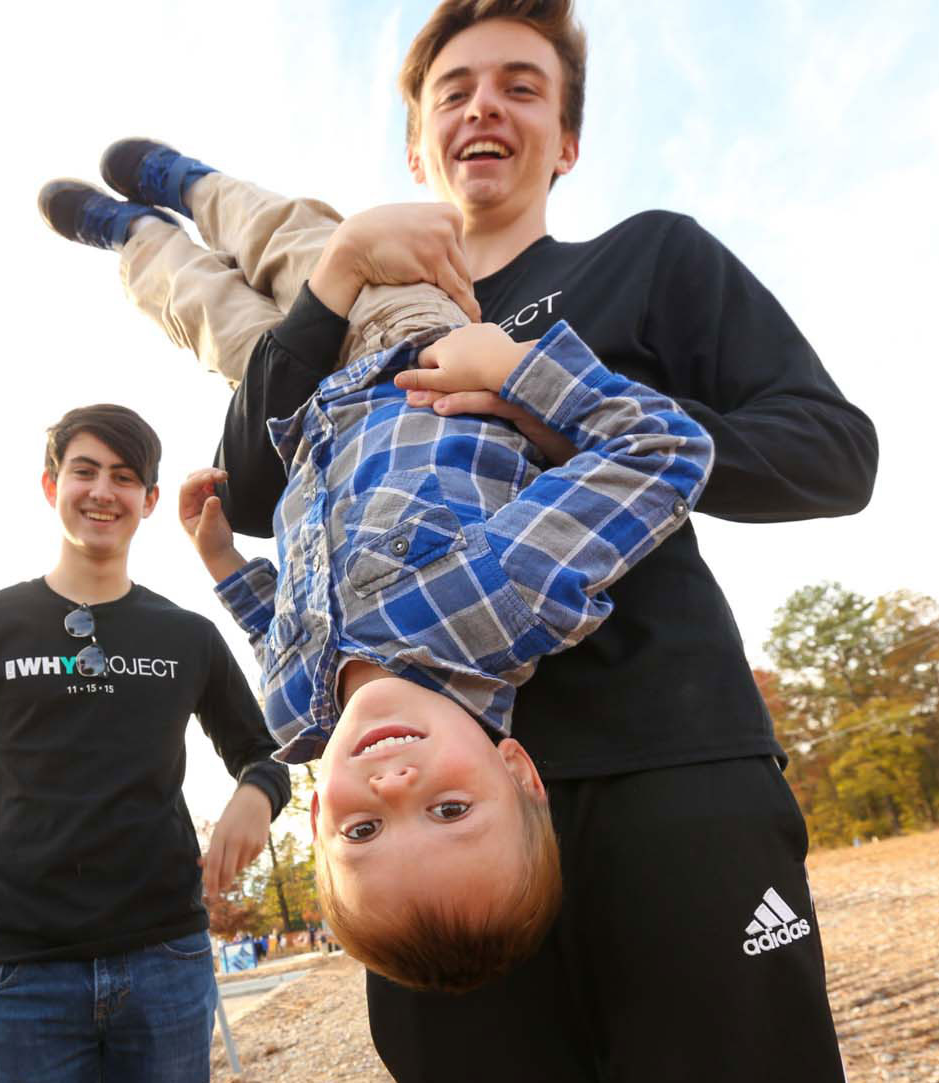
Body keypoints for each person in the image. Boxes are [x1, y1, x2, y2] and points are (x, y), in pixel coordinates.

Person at [147, 0, 881, 1077]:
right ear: (416, 145)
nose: (483, 105)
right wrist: (337, 273)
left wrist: (564, 404)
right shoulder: (352, 324)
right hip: (437, 851)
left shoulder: (649, 259)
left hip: (667, 775)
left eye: (520, 86)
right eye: (454, 91)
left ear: (566, 143)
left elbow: (829, 454)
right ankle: (146, 216)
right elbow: (256, 490)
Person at [41, 139, 715, 993]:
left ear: (319, 814)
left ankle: (132, 236)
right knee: (291, 235)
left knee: (203, 311)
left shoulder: (293, 718)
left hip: (295, 424)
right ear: (516, 772)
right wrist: (521, 374)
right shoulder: (501, 604)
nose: (395, 784)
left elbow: (271, 627)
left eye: (365, 832)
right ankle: (192, 186)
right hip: (407, 346)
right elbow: (665, 452)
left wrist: (221, 561)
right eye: (448, 810)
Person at [0, 404, 289, 1083]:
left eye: (123, 476)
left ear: (147, 501)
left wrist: (256, 794)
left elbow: (268, 751)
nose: (102, 491)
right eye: (83, 471)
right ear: (52, 486)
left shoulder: (187, 636)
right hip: (22, 975)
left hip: (166, 961)